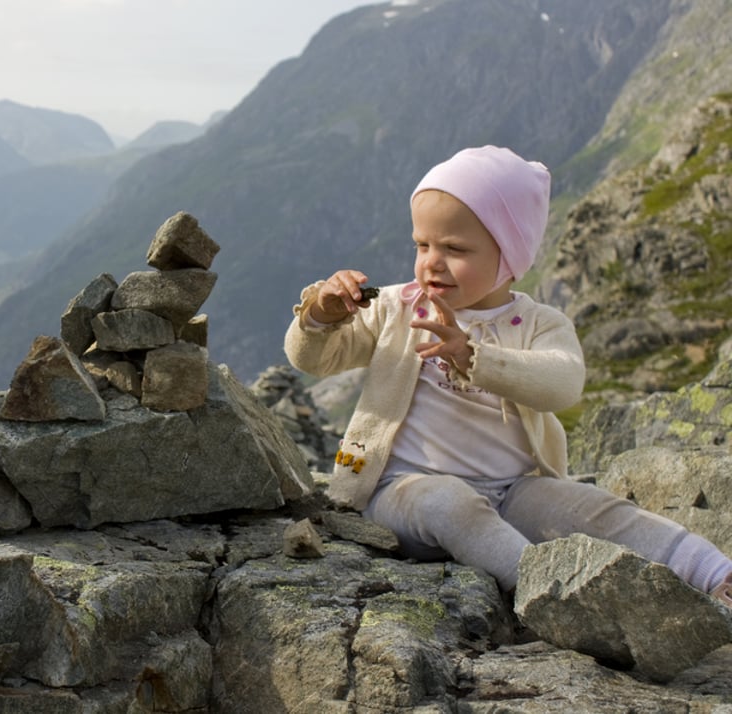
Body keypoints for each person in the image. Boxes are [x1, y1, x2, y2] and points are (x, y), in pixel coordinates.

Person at [284, 145, 732, 606]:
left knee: (593, 508)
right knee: (451, 504)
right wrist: (321, 315)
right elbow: (315, 360)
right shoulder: (396, 308)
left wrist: (475, 357)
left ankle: (713, 570)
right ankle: (551, 597)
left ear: (509, 254)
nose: (431, 261)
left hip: (513, 491)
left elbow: (562, 384)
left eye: (454, 249)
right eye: (422, 244)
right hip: (402, 491)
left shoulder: (539, 323)